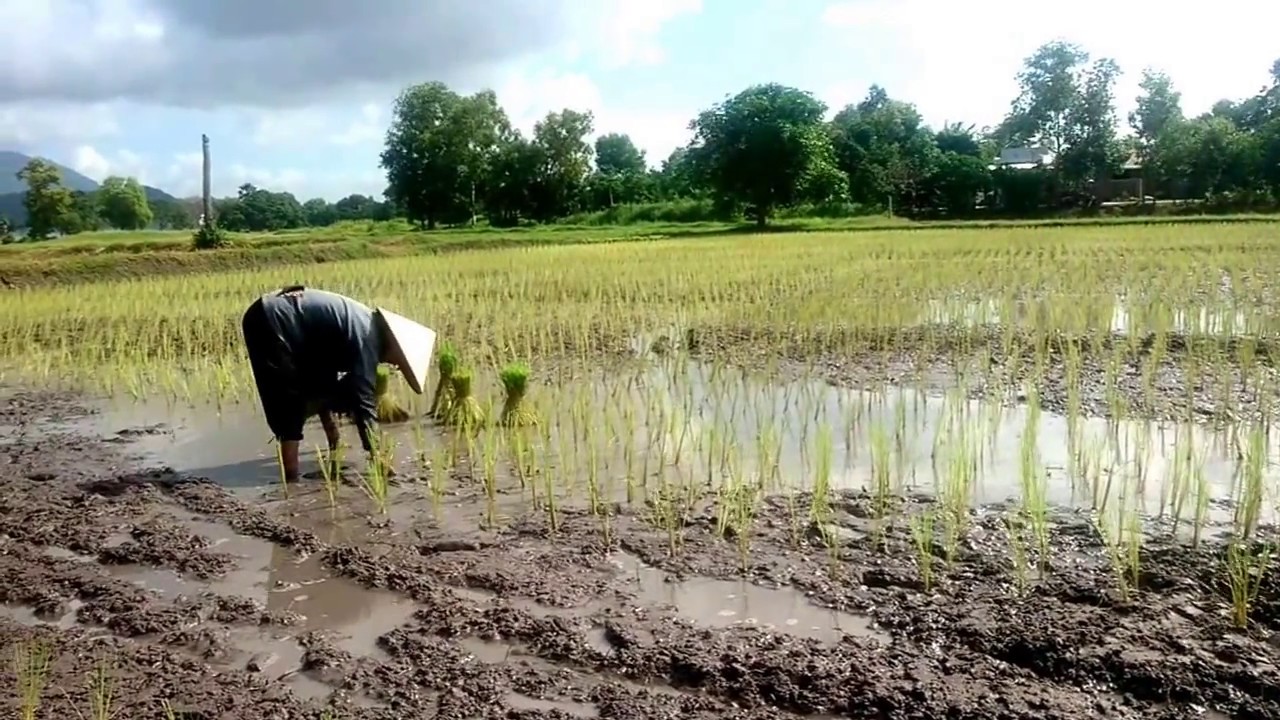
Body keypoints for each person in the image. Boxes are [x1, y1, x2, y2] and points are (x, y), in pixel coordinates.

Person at [240, 285, 435, 481]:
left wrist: (334, 439)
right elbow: (364, 401)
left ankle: (323, 450)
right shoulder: (368, 338)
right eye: (398, 361)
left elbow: (323, 380)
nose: (394, 364)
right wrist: (377, 456)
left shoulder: (363, 324)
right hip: (272, 320)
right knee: (288, 401)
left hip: (275, 315)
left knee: (319, 385)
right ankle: (291, 480)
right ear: (395, 345)